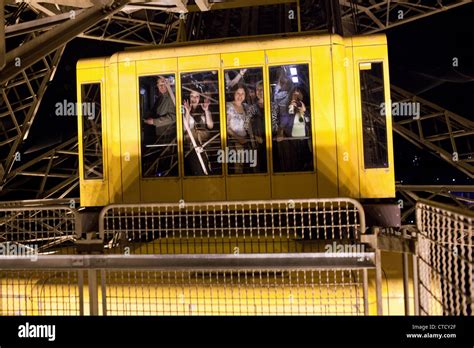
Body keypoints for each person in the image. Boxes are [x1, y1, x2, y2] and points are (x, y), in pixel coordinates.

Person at [275, 86, 312, 172]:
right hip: (291, 144)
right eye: (294, 95)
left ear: (302, 96)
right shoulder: (287, 109)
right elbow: (282, 125)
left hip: (304, 143)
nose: (296, 97)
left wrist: (304, 111)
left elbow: (310, 124)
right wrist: (290, 110)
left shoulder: (308, 109)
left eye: (298, 95)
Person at [183, 89, 214, 176]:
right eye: (192, 96)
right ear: (188, 97)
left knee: (205, 167)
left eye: (197, 96)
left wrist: (206, 110)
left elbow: (210, 126)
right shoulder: (185, 110)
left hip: (204, 144)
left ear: (200, 98)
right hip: (191, 146)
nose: (194, 98)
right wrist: (188, 112)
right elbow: (186, 128)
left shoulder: (204, 109)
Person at [226, 84, 255, 174]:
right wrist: (238, 138)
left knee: (247, 168)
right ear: (233, 94)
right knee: (238, 168)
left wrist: (252, 139)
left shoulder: (246, 106)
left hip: (246, 142)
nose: (240, 96)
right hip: (234, 142)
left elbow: (248, 125)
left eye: (242, 94)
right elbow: (226, 127)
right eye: (238, 93)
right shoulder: (229, 106)